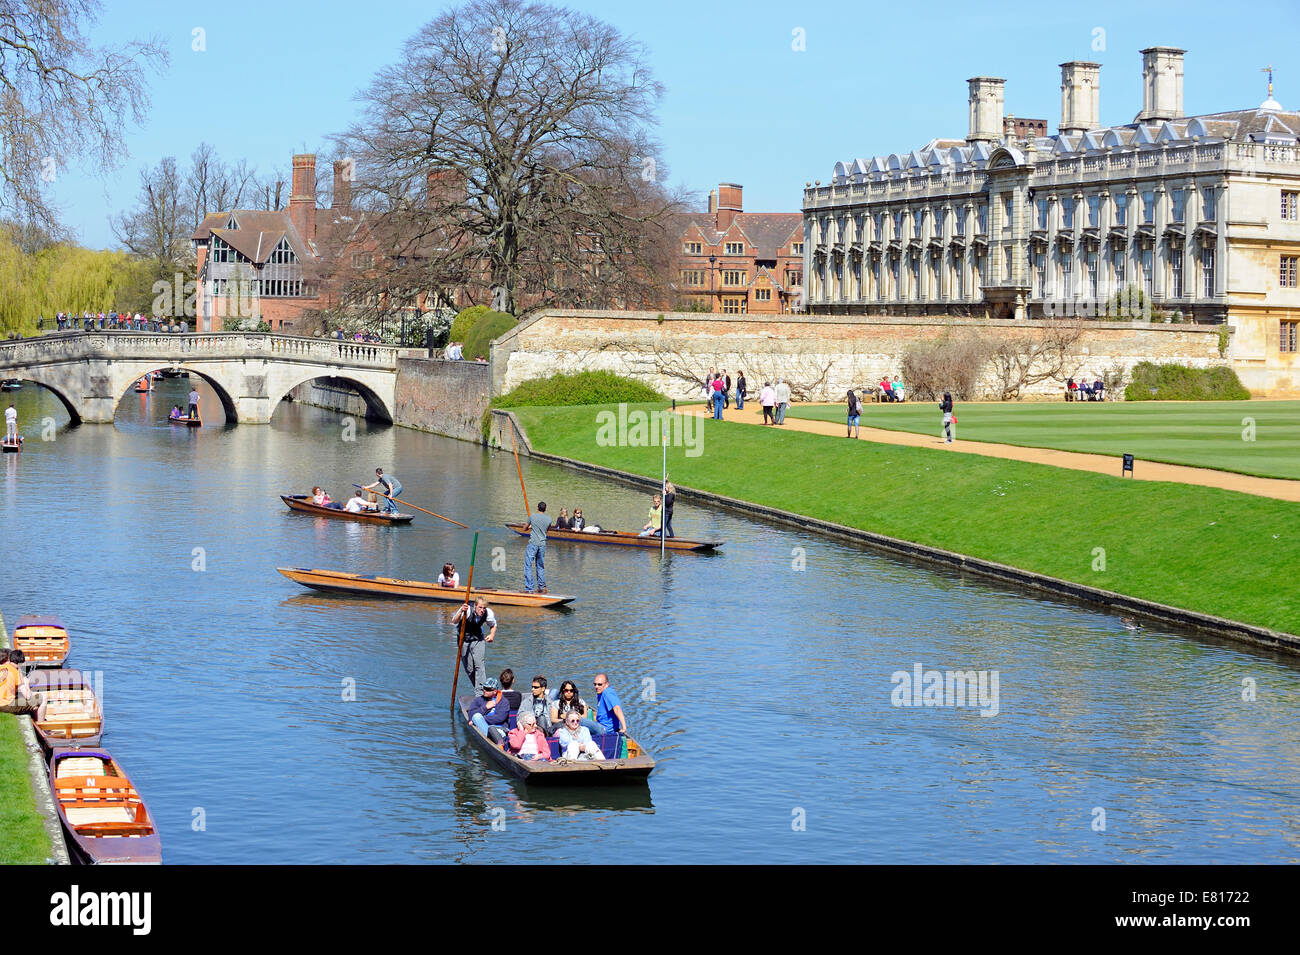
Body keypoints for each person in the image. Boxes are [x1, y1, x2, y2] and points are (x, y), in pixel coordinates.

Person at [453, 596, 497, 692]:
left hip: (478, 639)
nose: (482, 610)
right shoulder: (467, 610)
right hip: (464, 640)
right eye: (480, 607)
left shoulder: (488, 613)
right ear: (475, 606)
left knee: (479, 666)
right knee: (470, 669)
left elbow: (493, 625)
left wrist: (492, 635)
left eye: (484, 608)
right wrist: (461, 611)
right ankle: (482, 689)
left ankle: (481, 693)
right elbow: (454, 621)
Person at [524, 501, 549, 594]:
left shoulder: (532, 517)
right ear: (545, 509)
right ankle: (541, 587)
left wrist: (530, 526)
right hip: (542, 544)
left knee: (528, 566)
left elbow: (524, 528)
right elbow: (546, 530)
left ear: (538, 508)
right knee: (540, 566)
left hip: (533, 544)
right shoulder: (549, 519)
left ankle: (529, 588)